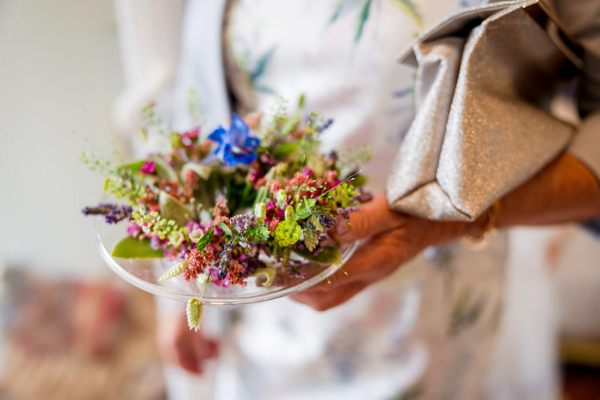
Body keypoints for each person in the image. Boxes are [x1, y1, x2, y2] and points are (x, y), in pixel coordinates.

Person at [113, 0, 600, 399]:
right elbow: (202, 95)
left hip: (431, 313)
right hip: (266, 316)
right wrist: (179, 286)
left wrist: (444, 219)